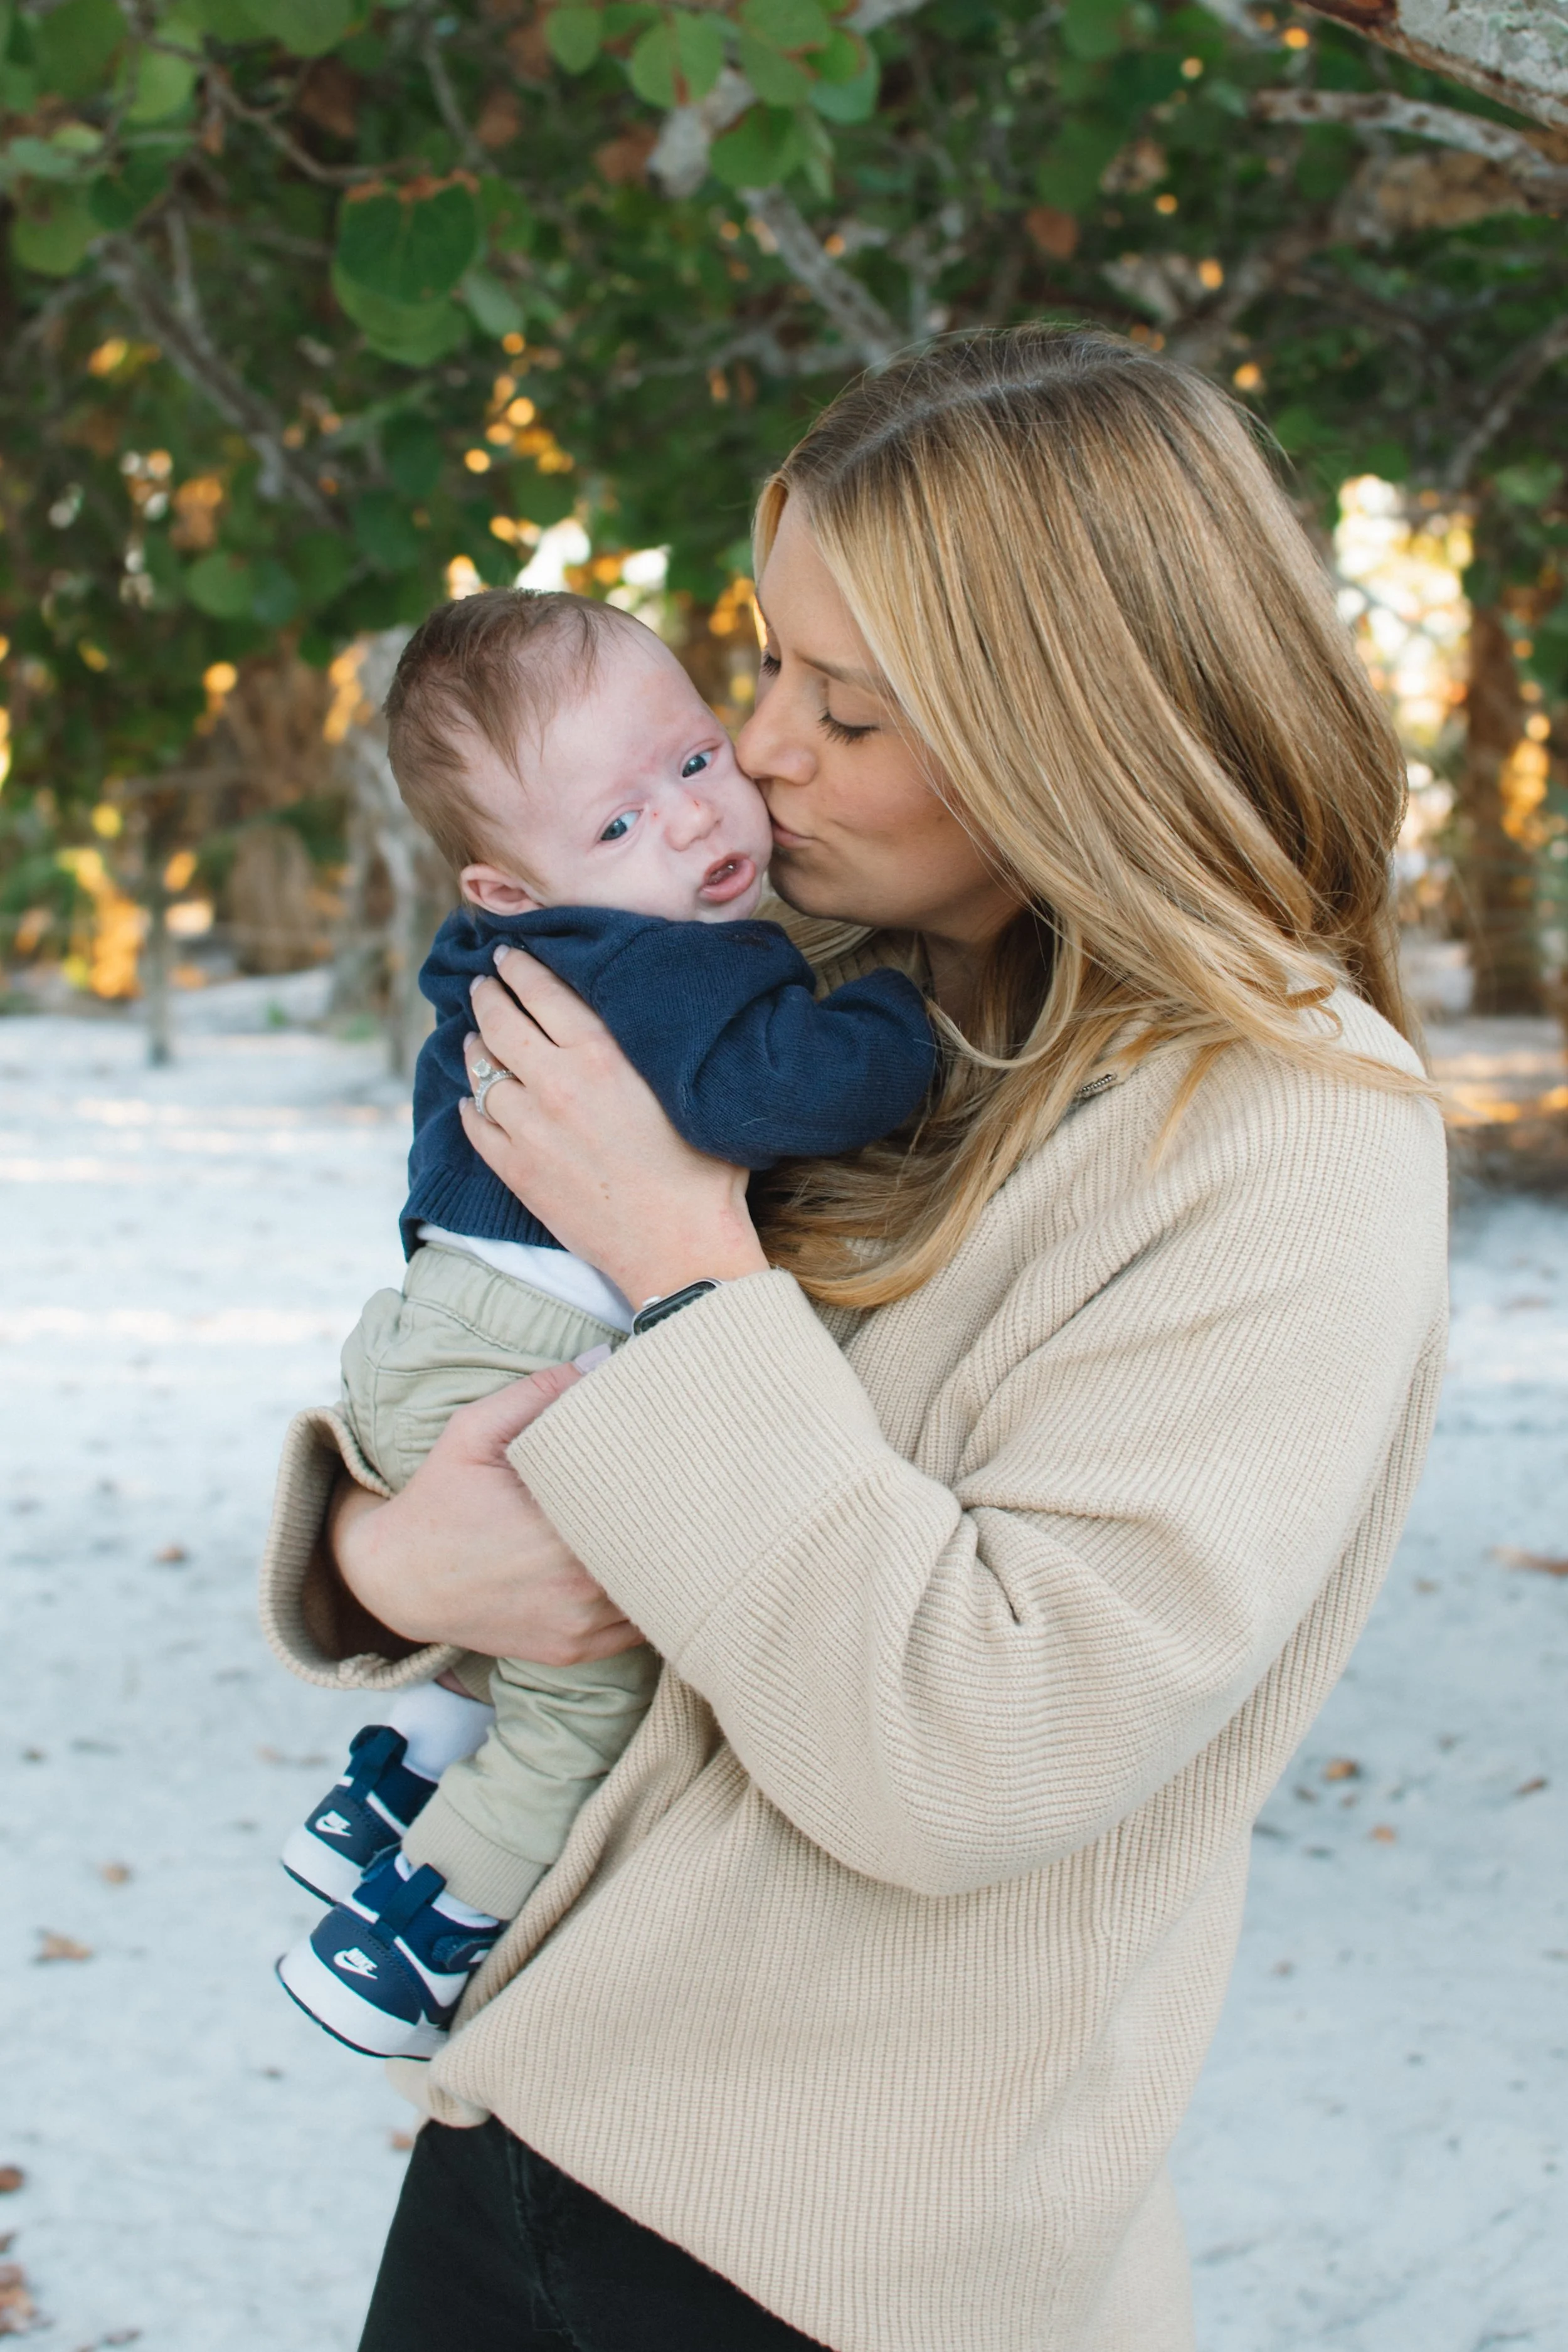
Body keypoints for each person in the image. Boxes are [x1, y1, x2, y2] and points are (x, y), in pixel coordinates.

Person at [260, 326, 1448, 2352]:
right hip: (533, 2126)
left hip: (821, 2259)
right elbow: (491, 1347)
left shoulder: (1290, 1137)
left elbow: (972, 1744)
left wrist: (683, 1247)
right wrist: (375, 1556)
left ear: (1071, 725)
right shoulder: (843, 984)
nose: (765, 748)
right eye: (770, 666)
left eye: (852, 707)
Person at [267, 589, 935, 2058]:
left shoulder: (517, 949)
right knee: (593, 1688)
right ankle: (412, 1930)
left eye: (694, 763)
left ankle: (390, 1778)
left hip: (428, 1332)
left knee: (508, 1624)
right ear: (508, 885)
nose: (696, 829)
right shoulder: (666, 964)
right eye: (618, 827)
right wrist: (905, 1027)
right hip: (519, 1343)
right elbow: (763, 1092)